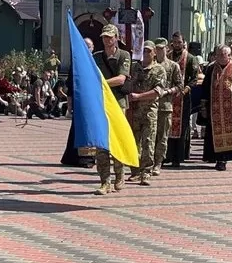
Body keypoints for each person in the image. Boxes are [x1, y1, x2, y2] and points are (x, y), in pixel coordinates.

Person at [91, 24, 130, 195]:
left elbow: (121, 79)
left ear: (116, 38)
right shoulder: (96, 57)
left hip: (118, 103)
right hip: (101, 103)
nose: (107, 40)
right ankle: (104, 181)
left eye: (110, 37)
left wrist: (101, 84)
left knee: (117, 140)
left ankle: (120, 175)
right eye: (104, 37)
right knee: (101, 144)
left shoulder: (124, 55)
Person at [200, 45, 232, 171]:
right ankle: (213, 156)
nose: (220, 57)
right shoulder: (211, 69)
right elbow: (205, 88)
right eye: (218, 54)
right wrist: (204, 107)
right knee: (212, 132)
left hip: (229, 108)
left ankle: (223, 159)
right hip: (214, 108)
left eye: (223, 55)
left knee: (228, 133)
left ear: (229, 56)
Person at [126, 41, 165, 185]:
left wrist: (138, 96)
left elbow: (158, 92)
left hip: (149, 112)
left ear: (154, 53)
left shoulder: (159, 70)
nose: (146, 54)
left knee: (148, 142)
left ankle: (146, 172)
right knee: (133, 142)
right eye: (144, 51)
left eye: (149, 51)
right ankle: (135, 171)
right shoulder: (134, 67)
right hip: (133, 111)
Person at [165, 32, 199, 168]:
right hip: (169, 97)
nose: (177, 45)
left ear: (183, 42)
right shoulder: (168, 56)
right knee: (167, 125)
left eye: (179, 42)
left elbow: (194, 79)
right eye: (174, 42)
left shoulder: (190, 58)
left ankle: (178, 157)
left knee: (182, 127)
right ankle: (166, 155)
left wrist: (184, 90)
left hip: (183, 98)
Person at [61, 37, 95, 167]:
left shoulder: (96, 62)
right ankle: (75, 158)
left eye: (89, 46)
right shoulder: (75, 63)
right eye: (84, 46)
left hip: (93, 101)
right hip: (79, 101)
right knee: (78, 128)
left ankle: (89, 157)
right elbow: (70, 86)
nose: (87, 48)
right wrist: (69, 104)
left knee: (91, 129)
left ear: (93, 48)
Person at [152, 37, 182, 176]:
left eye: (162, 48)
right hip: (150, 105)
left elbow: (179, 85)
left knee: (162, 136)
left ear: (167, 49)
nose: (159, 51)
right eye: (157, 48)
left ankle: (158, 162)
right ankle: (147, 162)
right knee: (149, 136)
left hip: (165, 106)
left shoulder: (173, 66)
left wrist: (168, 91)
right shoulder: (150, 65)